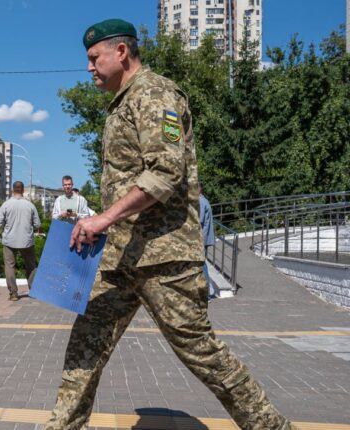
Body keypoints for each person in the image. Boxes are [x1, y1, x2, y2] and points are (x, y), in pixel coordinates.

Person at [46, 19, 295, 430]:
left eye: (94, 59)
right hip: (121, 256)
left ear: (121, 52)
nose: (89, 68)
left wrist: (104, 217)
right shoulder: (122, 103)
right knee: (85, 347)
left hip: (164, 257)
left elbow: (166, 172)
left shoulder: (155, 94)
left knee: (201, 352)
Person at [0, 181, 40, 301]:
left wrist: (7, 225)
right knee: (31, 266)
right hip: (27, 240)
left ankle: (13, 293)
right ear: (23, 190)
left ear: (12, 190)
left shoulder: (6, 204)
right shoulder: (30, 205)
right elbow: (37, 224)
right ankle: (34, 290)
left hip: (9, 240)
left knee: (9, 266)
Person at [199, 183, 217, 299]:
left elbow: (198, 220)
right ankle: (206, 293)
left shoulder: (200, 202)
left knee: (201, 264)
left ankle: (206, 294)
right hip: (205, 237)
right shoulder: (205, 200)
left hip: (201, 238)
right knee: (202, 263)